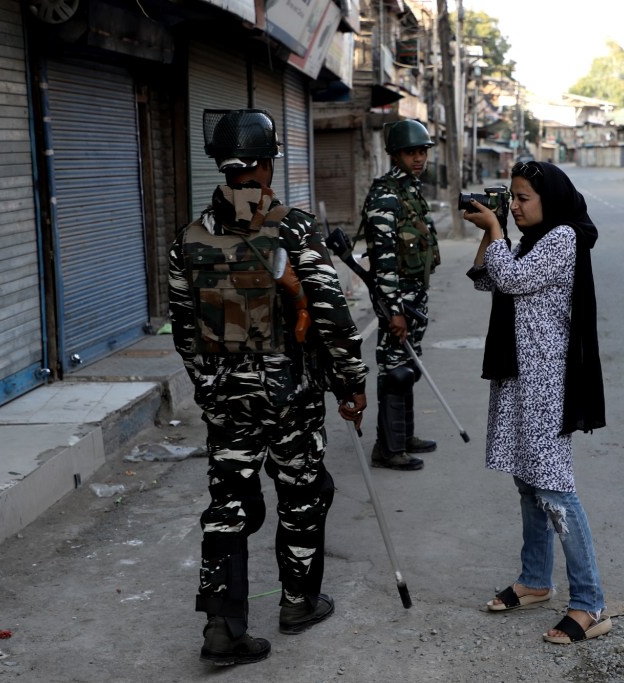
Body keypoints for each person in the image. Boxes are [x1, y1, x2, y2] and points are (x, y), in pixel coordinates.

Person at [168, 109, 368, 666]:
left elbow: (184, 330)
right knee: (302, 494)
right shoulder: (294, 227)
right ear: (267, 163)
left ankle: (222, 630)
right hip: (290, 399)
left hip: (226, 401)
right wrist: (351, 383)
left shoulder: (189, 237)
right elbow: (331, 315)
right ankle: (299, 603)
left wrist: (210, 389)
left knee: (228, 504)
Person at [462, 160, 609, 644]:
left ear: (550, 200)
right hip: (521, 378)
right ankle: (536, 580)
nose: (516, 205)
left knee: (554, 488)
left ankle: (590, 604)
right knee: (528, 483)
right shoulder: (530, 239)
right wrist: (493, 233)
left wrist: (495, 229)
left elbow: (514, 281)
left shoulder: (563, 238)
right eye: (512, 197)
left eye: (524, 197)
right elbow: (486, 278)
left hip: (547, 383)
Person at [360, 119, 440, 471]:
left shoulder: (411, 191)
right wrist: (394, 310)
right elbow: (384, 261)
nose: (418, 157)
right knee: (394, 370)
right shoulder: (385, 195)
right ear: (395, 154)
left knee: (408, 366)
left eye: (422, 151)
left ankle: (404, 436)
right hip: (398, 301)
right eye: (411, 152)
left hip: (414, 297)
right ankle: (388, 448)